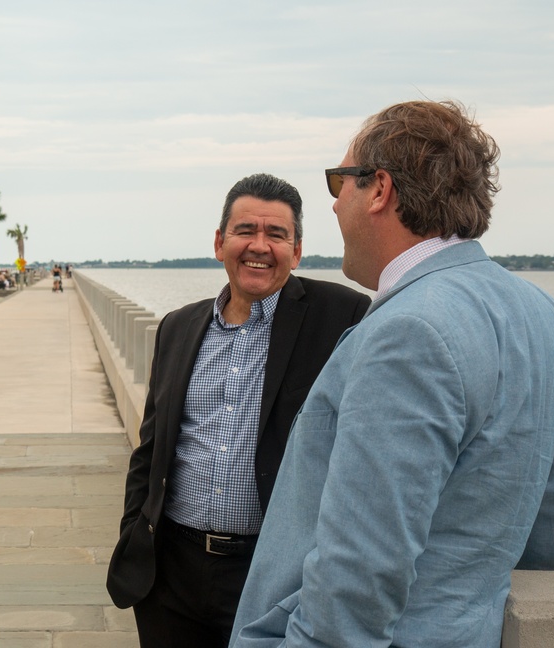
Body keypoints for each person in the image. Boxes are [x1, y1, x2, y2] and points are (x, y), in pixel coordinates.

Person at [229, 100, 554, 648]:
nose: (332, 206)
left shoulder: (410, 330)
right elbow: (551, 527)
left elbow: (360, 569)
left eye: (339, 182)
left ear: (379, 190)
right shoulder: (545, 316)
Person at [106, 173, 371, 648]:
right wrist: (134, 531)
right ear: (219, 241)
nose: (259, 246)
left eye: (277, 234)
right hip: (170, 575)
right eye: (246, 230)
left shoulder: (343, 316)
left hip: (270, 575)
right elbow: (151, 449)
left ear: (298, 249)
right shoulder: (178, 327)